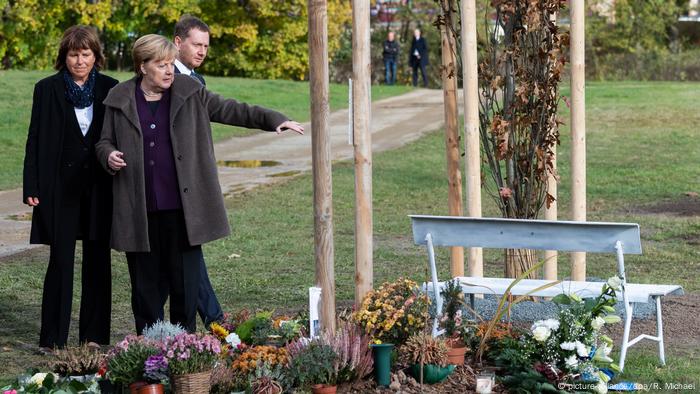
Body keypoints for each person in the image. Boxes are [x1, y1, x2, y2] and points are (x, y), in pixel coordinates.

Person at [96, 34, 304, 334]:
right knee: (145, 288)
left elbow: (232, 109)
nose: (169, 71)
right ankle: (149, 351)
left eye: (170, 64)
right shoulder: (120, 98)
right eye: (161, 65)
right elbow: (103, 141)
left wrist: (274, 119)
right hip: (139, 209)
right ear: (143, 67)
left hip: (183, 209)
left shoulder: (189, 92)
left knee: (184, 286)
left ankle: (185, 351)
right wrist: (109, 155)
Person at [23, 25, 118, 351]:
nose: (79, 60)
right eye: (73, 54)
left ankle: (94, 336)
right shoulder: (46, 89)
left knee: (97, 261)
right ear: (64, 57)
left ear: (96, 56)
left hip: (99, 188)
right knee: (60, 262)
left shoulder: (110, 88)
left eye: (86, 54)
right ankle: (52, 338)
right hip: (58, 188)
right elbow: (34, 138)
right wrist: (31, 184)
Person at [168, 15, 223, 328]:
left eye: (206, 46)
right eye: (196, 44)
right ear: (178, 43)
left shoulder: (195, 79)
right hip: (173, 185)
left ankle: (210, 321)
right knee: (184, 257)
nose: (202, 51)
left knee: (188, 256)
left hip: (190, 182)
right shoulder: (167, 77)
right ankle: (213, 321)